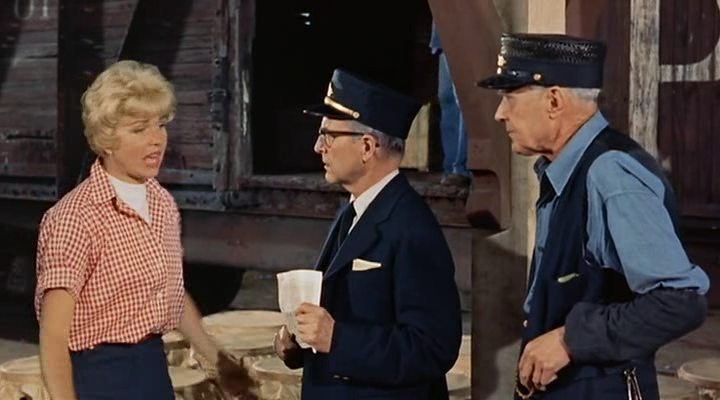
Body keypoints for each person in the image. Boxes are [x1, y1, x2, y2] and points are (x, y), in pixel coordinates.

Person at [476, 33, 710, 399]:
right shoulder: (565, 169)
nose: (500, 113)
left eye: (510, 96)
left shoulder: (610, 175)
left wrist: (570, 340)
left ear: (554, 100)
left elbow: (680, 301)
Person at [34, 60, 253, 400]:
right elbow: (53, 336)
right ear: (107, 139)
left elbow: (171, 295)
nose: (156, 140)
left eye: (160, 125)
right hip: (99, 377)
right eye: (139, 129)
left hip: (152, 367)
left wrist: (217, 360)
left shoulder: (162, 203)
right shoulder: (75, 218)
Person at [272, 69, 462, 400]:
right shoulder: (354, 212)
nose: (318, 147)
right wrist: (300, 343)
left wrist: (336, 339)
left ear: (367, 146)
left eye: (328, 136)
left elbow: (433, 348)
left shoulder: (410, 227)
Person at [430, 22, 471, 186]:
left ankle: (459, 168)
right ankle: (450, 167)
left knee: (460, 99)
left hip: (462, 32)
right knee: (446, 98)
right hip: (443, 33)